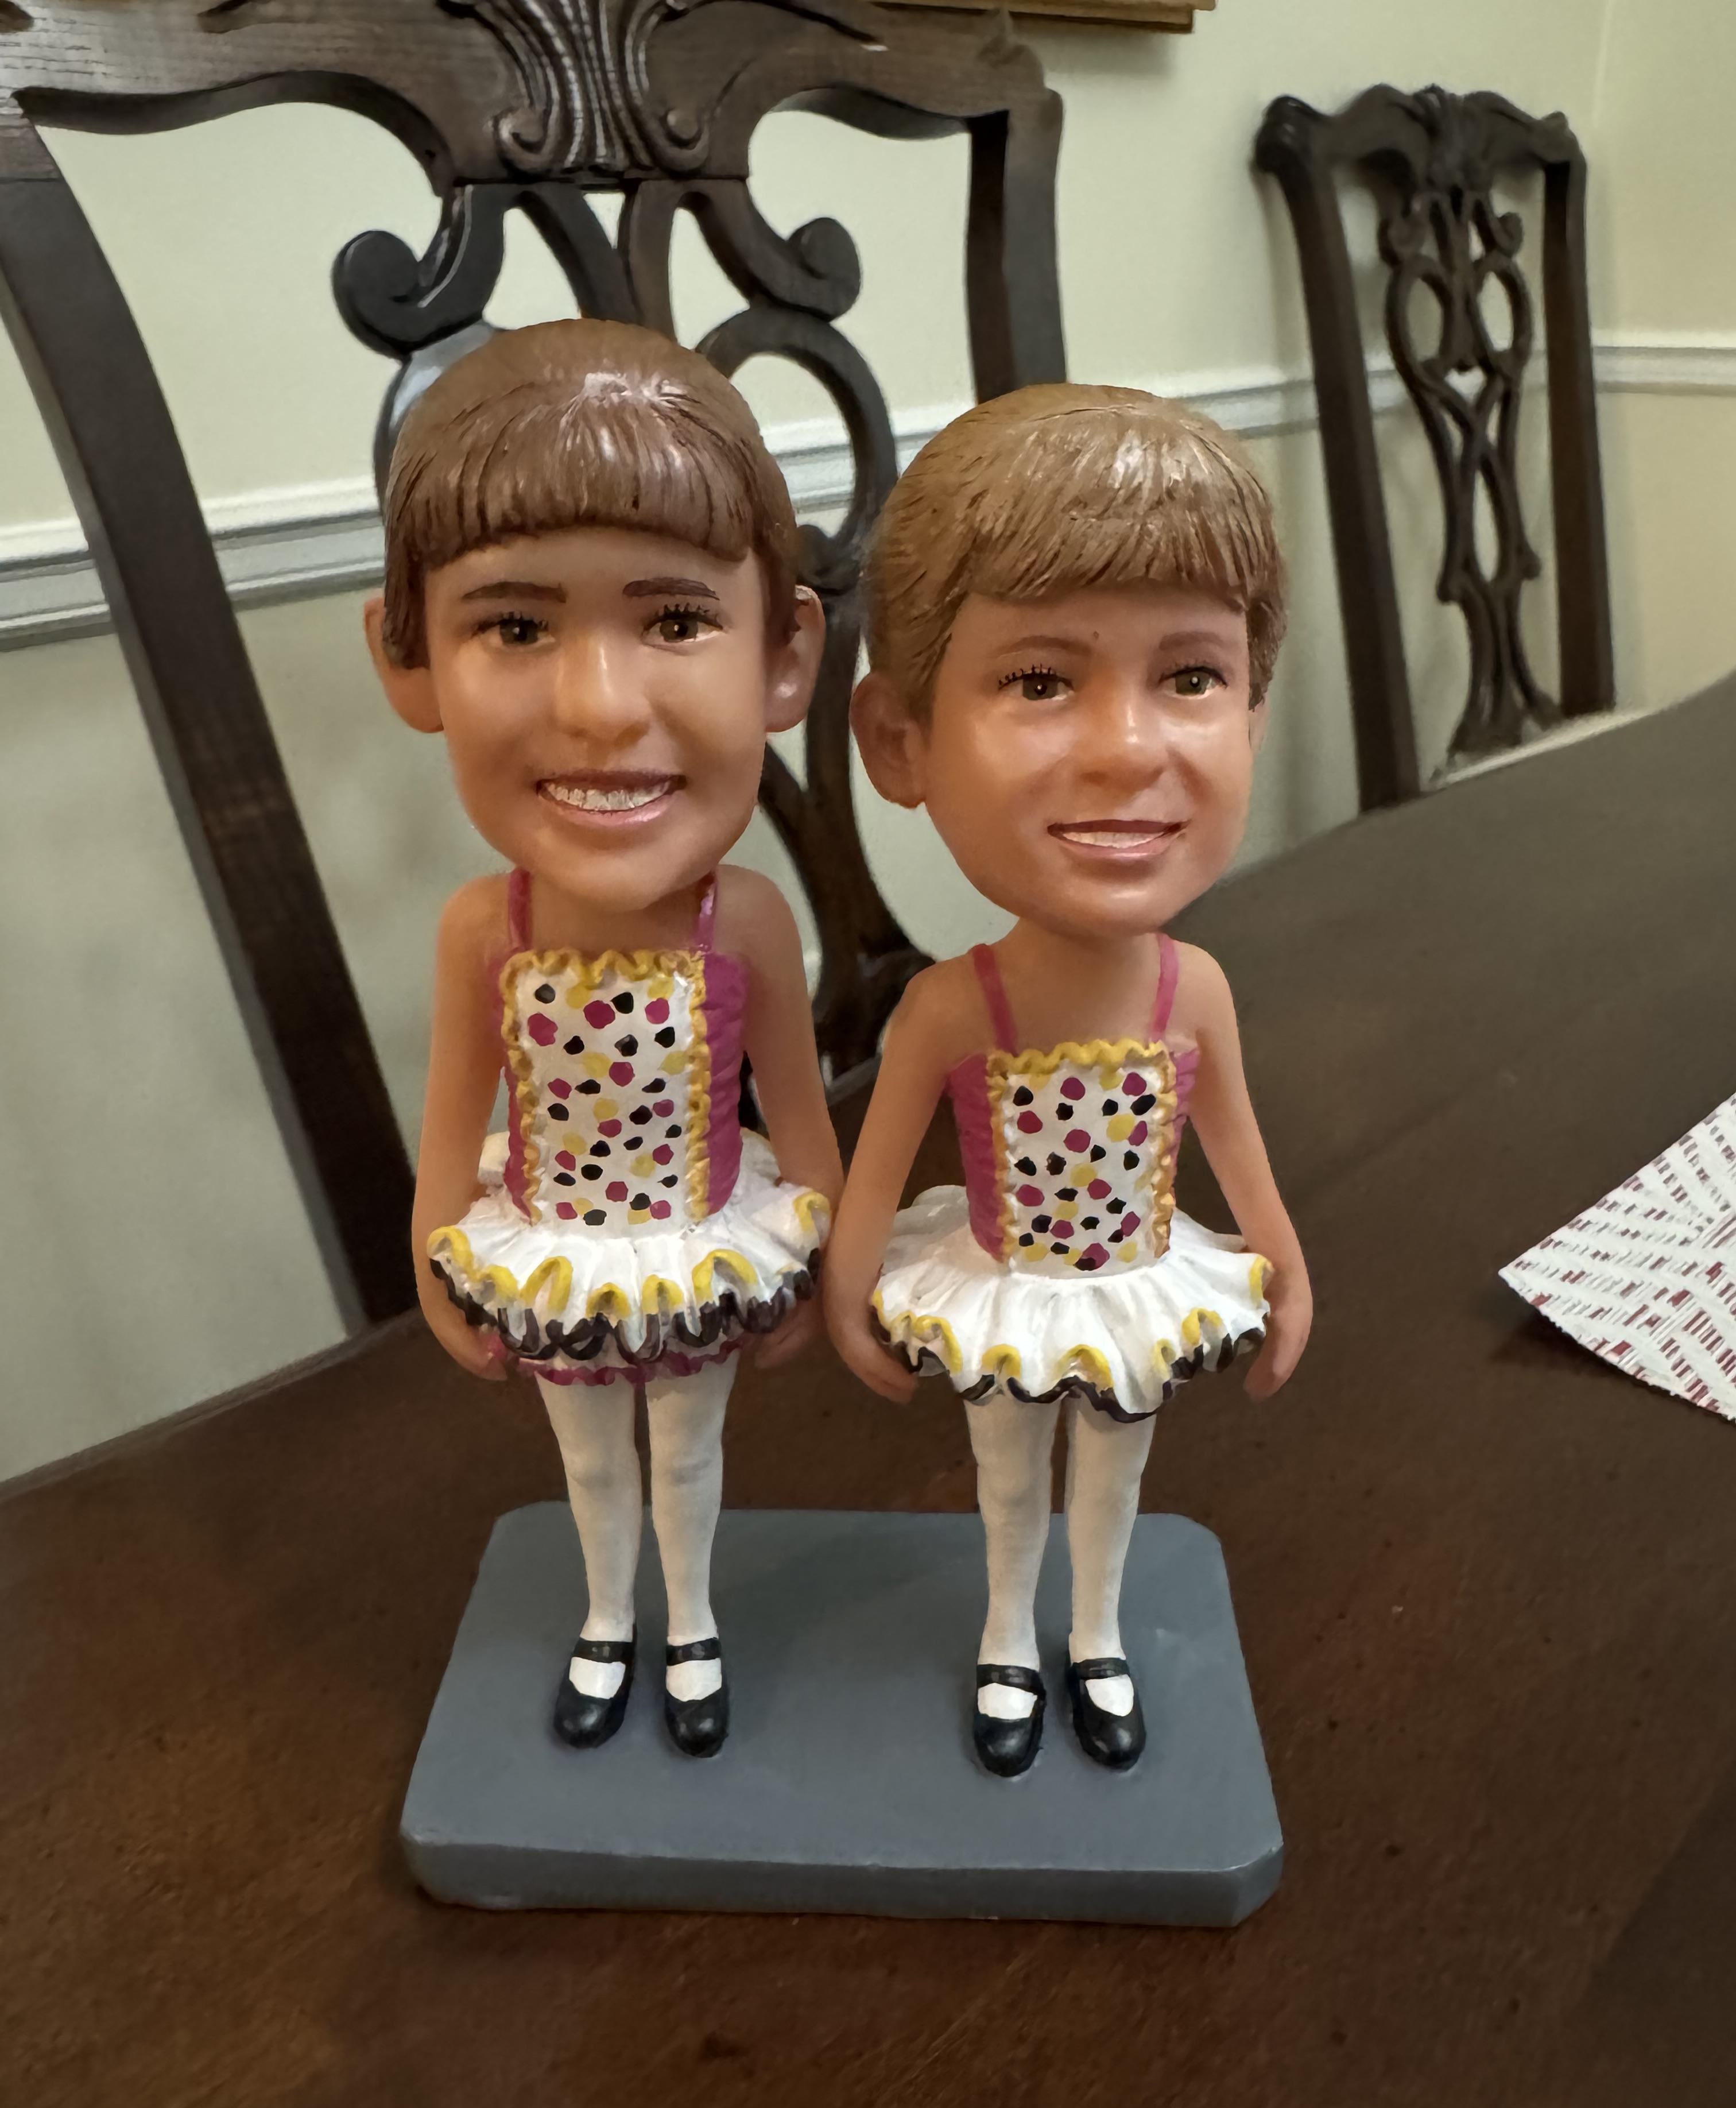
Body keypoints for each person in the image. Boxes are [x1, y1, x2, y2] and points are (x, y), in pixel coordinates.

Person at [367, 319, 840, 1759]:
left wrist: (823, 1252)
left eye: (676, 621)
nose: (597, 705)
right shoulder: (484, 930)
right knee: (587, 1455)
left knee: (688, 1445)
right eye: (515, 627)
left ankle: (689, 1623)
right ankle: (605, 1617)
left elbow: (803, 1110)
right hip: (558, 1249)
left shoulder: (745, 922)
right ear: (407, 659)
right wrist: (435, 1248)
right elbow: (452, 1115)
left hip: (699, 1242)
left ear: (787, 656)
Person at [825, 384, 1311, 1778]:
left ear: (1253, 715)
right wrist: (848, 1293)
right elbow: (877, 1168)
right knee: (1003, 1469)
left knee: (1118, 1467)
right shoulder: (951, 1008)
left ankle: (1094, 1637)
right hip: (1006, 1287)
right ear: (902, 743)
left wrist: (1285, 1268)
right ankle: (1004, 1636)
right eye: (1041, 681)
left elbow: (1237, 1148)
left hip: (1139, 1284)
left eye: (1192, 677)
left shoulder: (1191, 991)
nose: (1126, 748)